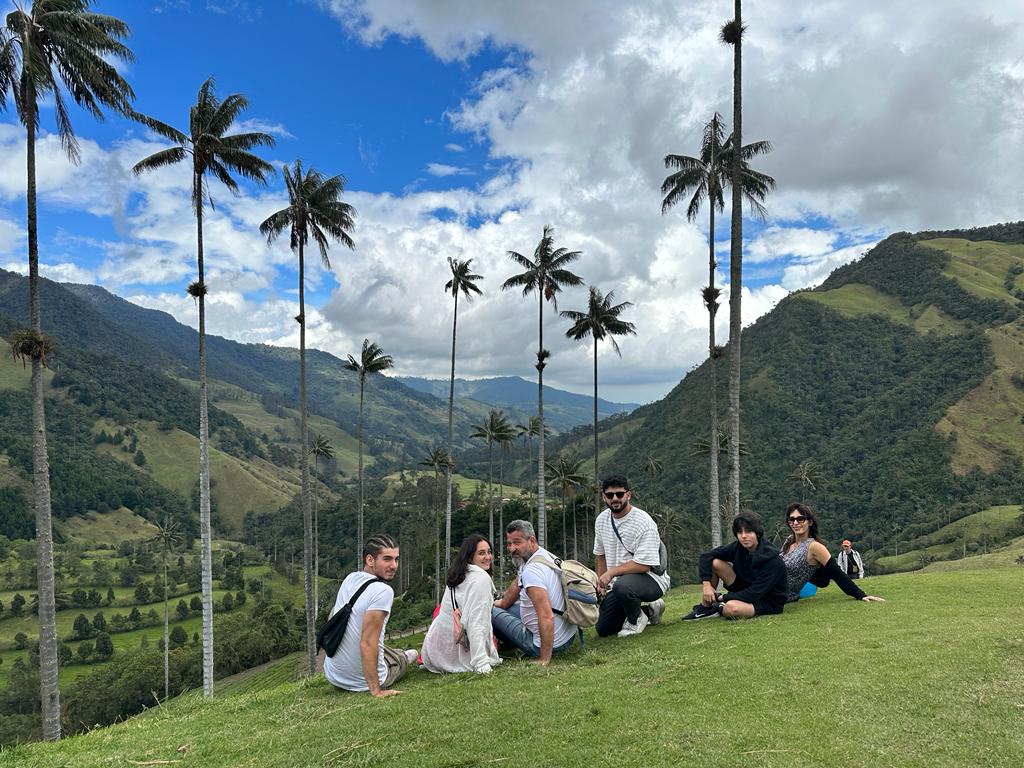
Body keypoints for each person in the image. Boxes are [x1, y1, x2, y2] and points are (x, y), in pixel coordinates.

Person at [323, 534, 418, 696]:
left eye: (396, 559)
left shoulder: (350, 579)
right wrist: (376, 691)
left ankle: (394, 654)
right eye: (387, 559)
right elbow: (367, 643)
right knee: (410, 654)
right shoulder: (383, 591)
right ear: (370, 560)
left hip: (334, 677)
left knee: (381, 646)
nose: (394, 566)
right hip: (362, 684)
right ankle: (402, 657)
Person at [491, 520, 579, 664]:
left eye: (517, 543)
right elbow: (517, 583)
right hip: (568, 635)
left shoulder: (532, 571)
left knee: (488, 610)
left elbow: (546, 616)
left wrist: (544, 659)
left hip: (547, 644)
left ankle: (506, 645)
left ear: (531, 541)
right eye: (509, 543)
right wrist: (502, 603)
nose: (512, 548)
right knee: (504, 608)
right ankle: (508, 640)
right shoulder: (542, 555)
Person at [592, 474, 668, 637]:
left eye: (619, 494)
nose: (615, 499)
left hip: (651, 579)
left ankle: (636, 619)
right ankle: (649, 610)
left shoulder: (643, 522)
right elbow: (600, 554)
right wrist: (601, 582)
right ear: (603, 497)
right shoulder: (601, 520)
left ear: (628, 495)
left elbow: (644, 565)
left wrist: (611, 573)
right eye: (610, 495)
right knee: (604, 628)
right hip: (619, 584)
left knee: (623, 586)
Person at [421, 534, 503, 674]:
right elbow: (477, 622)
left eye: (489, 552)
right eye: (481, 553)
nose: (488, 557)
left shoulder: (457, 576)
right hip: (459, 655)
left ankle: (408, 656)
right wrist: (482, 664)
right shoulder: (481, 578)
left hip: (435, 653)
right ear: (470, 557)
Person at [683, 511, 787, 620]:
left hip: (767, 600)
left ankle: (719, 607)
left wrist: (723, 597)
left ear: (757, 533)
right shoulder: (738, 547)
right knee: (715, 563)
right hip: (744, 586)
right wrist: (706, 585)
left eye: (748, 531)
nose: (744, 536)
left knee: (731, 608)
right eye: (740, 532)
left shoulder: (772, 560)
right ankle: (705, 609)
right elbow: (706, 556)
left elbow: (754, 593)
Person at [780, 504, 884, 604]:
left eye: (800, 519)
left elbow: (836, 572)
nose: (795, 523)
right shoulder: (789, 541)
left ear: (810, 522)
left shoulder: (814, 547)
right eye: (792, 519)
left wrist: (860, 595)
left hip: (782, 593)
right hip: (773, 584)